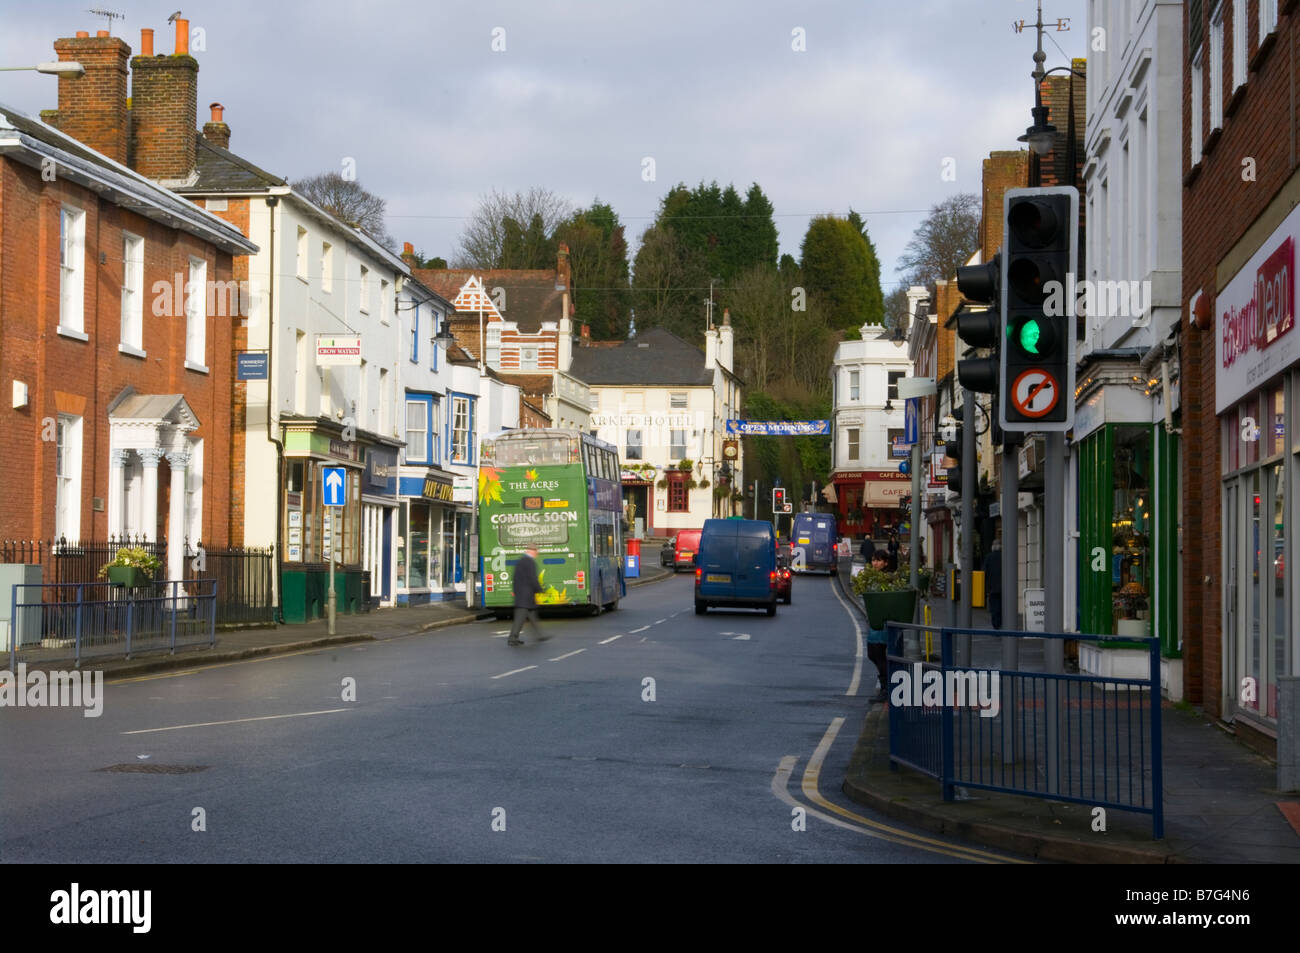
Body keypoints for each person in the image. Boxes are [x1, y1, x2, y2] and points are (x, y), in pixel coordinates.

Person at [865, 549, 892, 702]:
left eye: (879, 560)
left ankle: (886, 689)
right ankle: (886, 685)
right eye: (874, 560)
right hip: (874, 622)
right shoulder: (873, 577)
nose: (875, 563)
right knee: (872, 654)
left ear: (886, 562)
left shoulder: (887, 578)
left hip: (882, 623)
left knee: (878, 654)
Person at [507, 546, 548, 645]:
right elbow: (532, 578)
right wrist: (540, 589)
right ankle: (512, 638)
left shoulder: (521, 561)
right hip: (525, 595)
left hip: (523, 594)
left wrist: (516, 591)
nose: (537, 553)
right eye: (536, 551)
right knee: (520, 618)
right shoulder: (529, 562)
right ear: (531, 551)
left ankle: (539, 635)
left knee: (532, 616)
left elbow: (515, 578)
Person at [982, 537, 1003, 629]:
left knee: (994, 608)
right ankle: (1001, 623)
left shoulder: (988, 557)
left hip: (992, 587)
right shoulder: (1004, 556)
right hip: (1004, 587)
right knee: (1002, 607)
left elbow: (984, 571)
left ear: (993, 547)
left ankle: (996, 625)